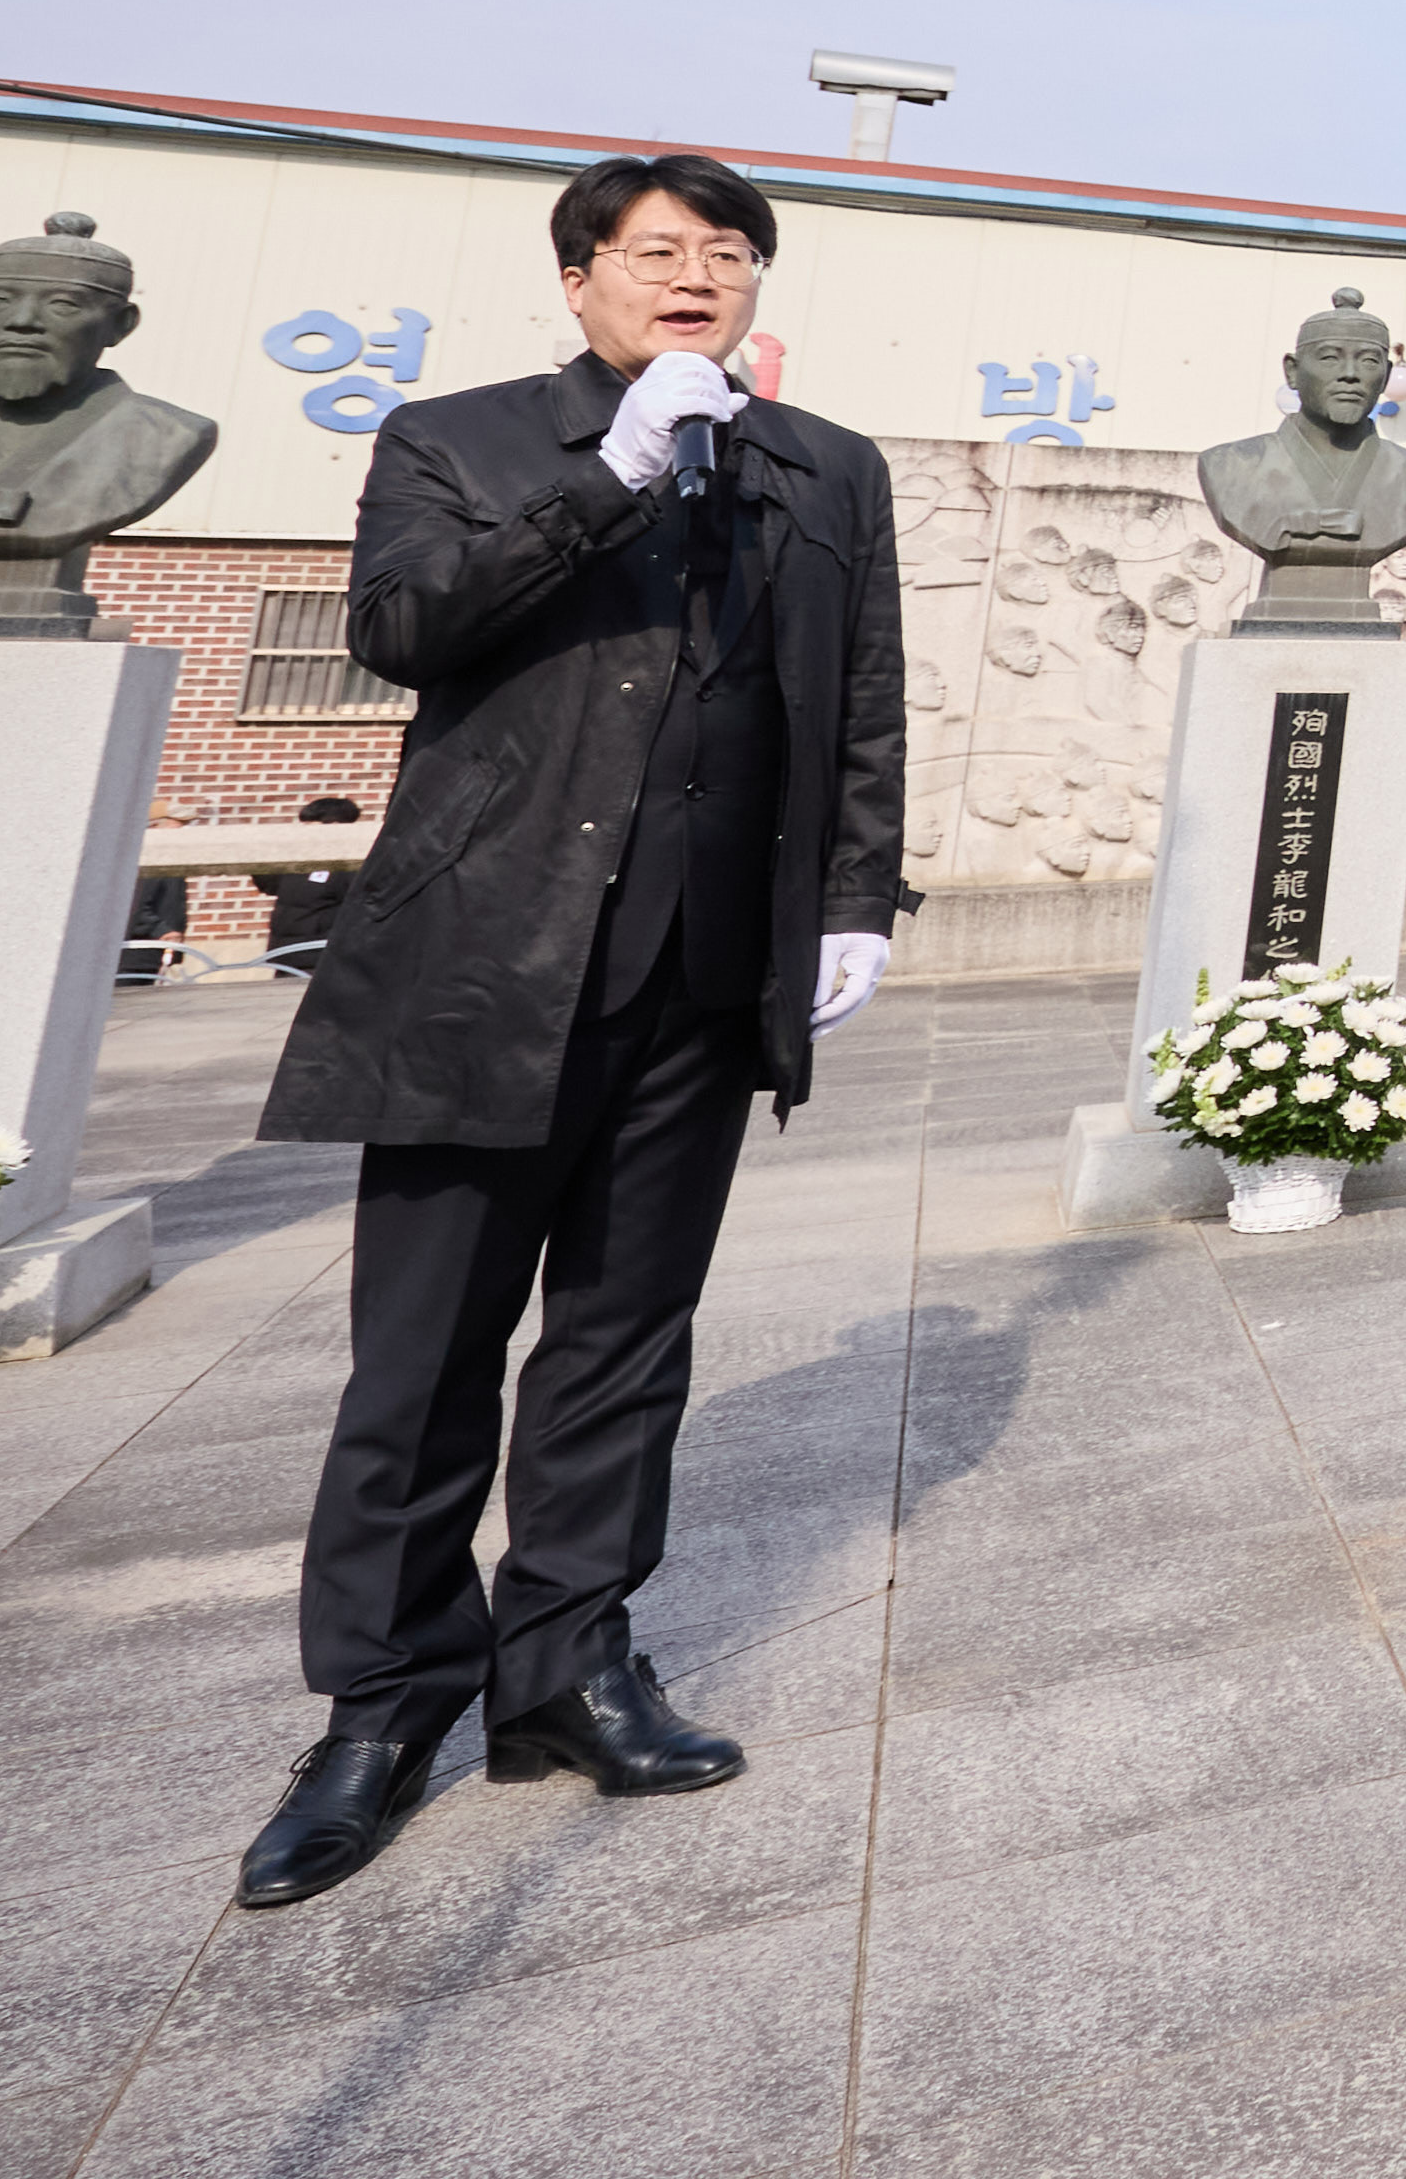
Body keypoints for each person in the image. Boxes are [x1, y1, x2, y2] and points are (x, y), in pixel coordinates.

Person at [236, 154, 906, 1912]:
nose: (698, 278)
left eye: (729, 254)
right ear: (583, 279)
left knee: (622, 1343)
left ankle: (569, 1669)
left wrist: (852, 898)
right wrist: (605, 485)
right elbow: (402, 629)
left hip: (703, 977)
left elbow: (860, 707)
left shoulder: (822, 466)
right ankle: (380, 1712)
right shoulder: (462, 441)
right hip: (488, 966)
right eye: (659, 253)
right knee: (422, 1361)